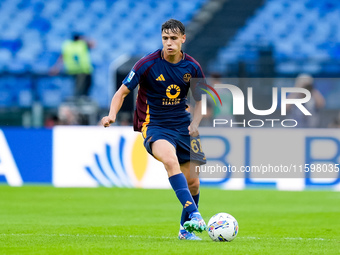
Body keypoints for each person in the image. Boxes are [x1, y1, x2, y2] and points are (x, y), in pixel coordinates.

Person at [101, 19, 207, 240]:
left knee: (194, 182)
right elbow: (121, 92)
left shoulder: (193, 67)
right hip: (155, 125)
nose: (169, 43)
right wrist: (111, 115)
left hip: (182, 125)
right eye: (165, 38)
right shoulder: (146, 64)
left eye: (174, 39)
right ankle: (195, 215)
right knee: (170, 161)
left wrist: (195, 123)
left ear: (183, 39)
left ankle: (185, 230)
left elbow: (200, 101)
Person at [50, 33, 95, 97]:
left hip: (72, 70)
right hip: (83, 70)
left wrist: (56, 67)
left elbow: (62, 57)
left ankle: (78, 100)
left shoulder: (67, 46)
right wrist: (85, 38)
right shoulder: (82, 44)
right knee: (82, 88)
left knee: (78, 87)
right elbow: (93, 44)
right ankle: (78, 101)